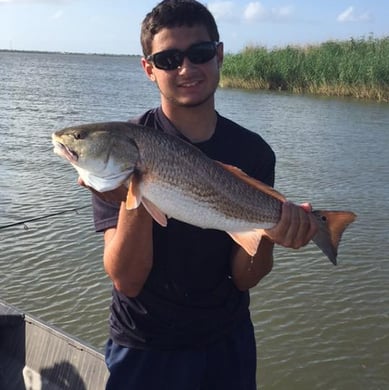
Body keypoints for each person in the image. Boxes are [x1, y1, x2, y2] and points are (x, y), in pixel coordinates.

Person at [89, 1, 318, 389]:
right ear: (149, 69)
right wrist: (135, 193)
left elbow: (246, 278)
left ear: (219, 54)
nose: (186, 69)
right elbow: (127, 280)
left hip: (226, 342)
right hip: (145, 345)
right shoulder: (120, 146)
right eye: (167, 59)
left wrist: (272, 234)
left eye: (199, 53)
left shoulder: (254, 152)